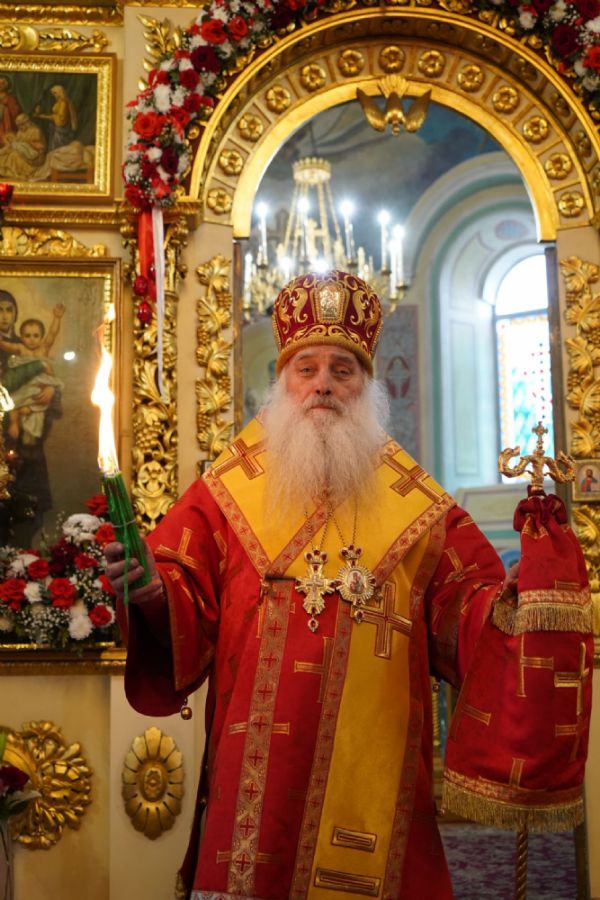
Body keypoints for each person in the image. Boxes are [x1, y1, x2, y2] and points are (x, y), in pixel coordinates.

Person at [105, 271, 593, 900]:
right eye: (306, 369)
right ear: (282, 382)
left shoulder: (419, 509)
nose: (323, 385)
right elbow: (179, 585)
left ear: (368, 387)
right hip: (255, 776)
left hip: (377, 773)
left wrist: (515, 605)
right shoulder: (227, 492)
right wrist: (150, 592)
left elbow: (467, 609)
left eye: (343, 370)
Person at [0, 307, 65, 445]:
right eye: (27, 336)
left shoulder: (44, 348)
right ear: (21, 337)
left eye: (36, 336)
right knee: (13, 401)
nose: (32, 340)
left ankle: (30, 414)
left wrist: (57, 318)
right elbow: (7, 346)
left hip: (40, 382)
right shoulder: (21, 348)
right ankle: (14, 423)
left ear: (41, 337)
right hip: (25, 383)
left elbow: (53, 333)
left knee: (40, 400)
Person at [0, 113, 46, 181]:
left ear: (27, 122)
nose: (20, 127)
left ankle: (17, 173)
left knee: (14, 155)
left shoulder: (35, 131)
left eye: (21, 125)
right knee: (7, 154)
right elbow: (16, 143)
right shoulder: (20, 132)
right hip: (22, 151)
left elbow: (41, 147)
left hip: (34, 157)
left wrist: (27, 144)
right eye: (18, 125)